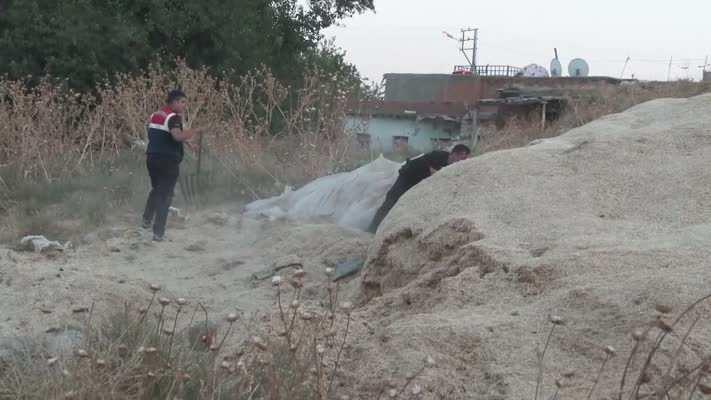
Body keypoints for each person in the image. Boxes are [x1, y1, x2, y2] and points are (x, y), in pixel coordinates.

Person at [367, 144, 471, 233]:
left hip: (418, 182)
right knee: (391, 201)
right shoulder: (438, 156)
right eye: (462, 158)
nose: (462, 162)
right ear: (454, 154)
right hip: (408, 176)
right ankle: (372, 230)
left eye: (465, 159)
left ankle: (389, 231)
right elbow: (435, 175)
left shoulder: (452, 166)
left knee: (405, 208)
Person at [142, 90, 201, 241]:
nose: (184, 106)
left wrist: (188, 144)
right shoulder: (174, 118)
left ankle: (146, 220)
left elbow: (164, 132)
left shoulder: (156, 115)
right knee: (165, 195)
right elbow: (176, 135)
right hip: (167, 161)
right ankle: (158, 233)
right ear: (174, 102)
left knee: (157, 190)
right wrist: (196, 131)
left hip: (152, 158)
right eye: (182, 102)